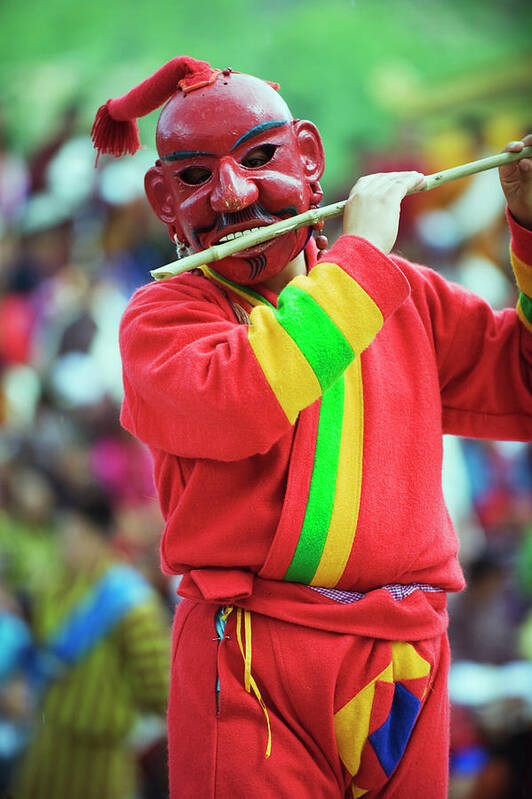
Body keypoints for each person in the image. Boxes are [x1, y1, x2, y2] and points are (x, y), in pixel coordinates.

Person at [91, 56, 532, 798]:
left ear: (310, 158)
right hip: (254, 662)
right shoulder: (160, 319)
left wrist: (527, 225)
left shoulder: (409, 297)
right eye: (197, 177)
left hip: (406, 661)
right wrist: (360, 259)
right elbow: (239, 402)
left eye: (260, 159)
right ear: (164, 201)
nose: (232, 195)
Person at [12, 492, 170, 799]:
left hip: (103, 754)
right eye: (64, 535)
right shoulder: (53, 588)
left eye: (76, 536)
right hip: (51, 740)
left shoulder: (131, 600)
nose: (66, 546)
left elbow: (155, 683)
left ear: (100, 538)